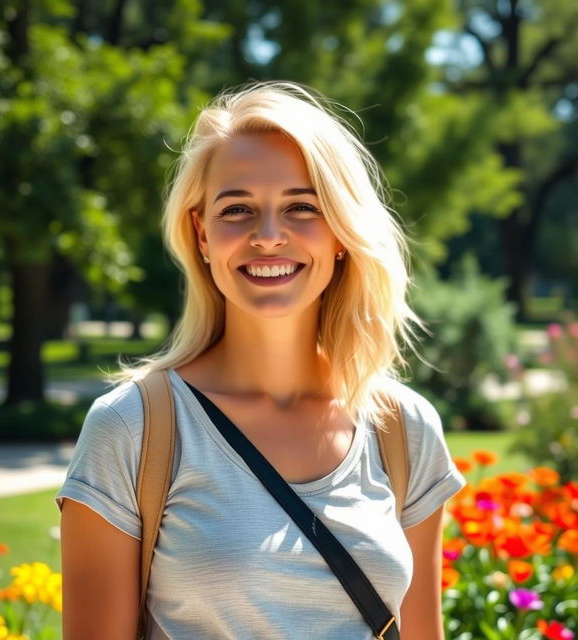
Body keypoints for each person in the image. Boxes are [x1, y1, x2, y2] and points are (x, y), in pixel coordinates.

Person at [56, 81, 466, 640]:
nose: (268, 236)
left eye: (302, 207)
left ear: (341, 232)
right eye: (237, 209)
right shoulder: (132, 429)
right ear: (202, 233)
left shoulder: (404, 429)